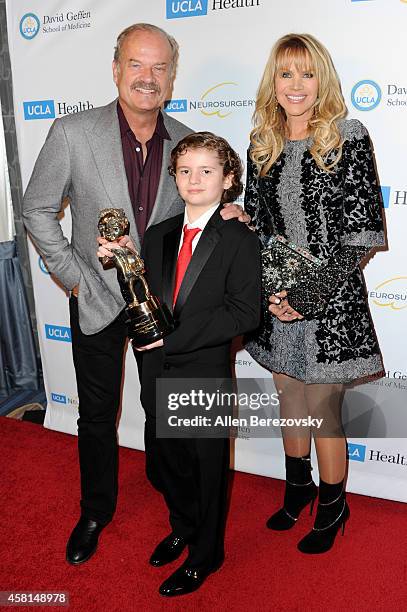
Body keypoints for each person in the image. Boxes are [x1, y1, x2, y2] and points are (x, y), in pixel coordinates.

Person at [22, 23, 247, 566]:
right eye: (136, 65)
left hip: (164, 311)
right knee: (96, 413)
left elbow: (198, 213)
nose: (147, 77)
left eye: (159, 67)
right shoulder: (73, 133)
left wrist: (227, 213)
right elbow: (37, 208)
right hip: (96, 298)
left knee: (163, 410)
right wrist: (73, 276)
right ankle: (96, 509)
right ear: (116, 68)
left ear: (171, 76)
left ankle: (175, 505)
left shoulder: (187, 141)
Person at [100, 131, 260, 596]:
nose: (194, 179)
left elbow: (244, 312)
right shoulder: (157, 234)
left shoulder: (238, 238)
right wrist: (122, 260)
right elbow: (147, 297)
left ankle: (207, 553)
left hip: (203, 373)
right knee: (169, 462)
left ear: (228, 180)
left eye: (207, 171)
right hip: (155, 373)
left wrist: (169, 341)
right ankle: (184, 527)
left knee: (207, 468)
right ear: (174, 176)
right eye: (185, 170)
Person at [244, 33, 385, 554]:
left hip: (331, 302)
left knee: (323, 410)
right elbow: (258, 229)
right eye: (286, 73)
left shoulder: (349, 136)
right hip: (276, 300)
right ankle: (297, 487)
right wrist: (274, 293)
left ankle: (333, 505)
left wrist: (309, 294)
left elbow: (362, 233)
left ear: (322, 79)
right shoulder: (262, 145)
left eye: (307, 73)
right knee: (290, 402)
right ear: (273, 83)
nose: (296, 85)